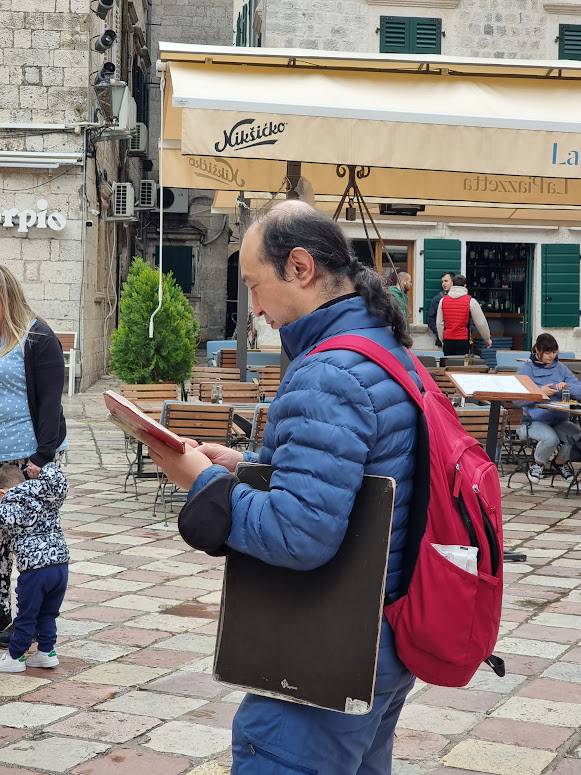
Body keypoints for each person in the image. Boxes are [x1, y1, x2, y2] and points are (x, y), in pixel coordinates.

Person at [145, 200, 419, 774]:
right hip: (381, 641)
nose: (254, 307)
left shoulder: (329, 372)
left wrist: (204, 482)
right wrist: (244, 465)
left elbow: (301, 532)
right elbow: (348, 480)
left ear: (299, 267)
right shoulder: (384, 350)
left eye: (253, 284)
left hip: (322, 652)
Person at [0, 265, 67, 644]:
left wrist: (41, 458)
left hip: (25, 460)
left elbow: (50, 402)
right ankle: (1, 616)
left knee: (28, 542)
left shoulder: (37, 336)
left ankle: (33, 620)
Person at [0, 462, 69, 672]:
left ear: (2, 492)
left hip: (35, 570)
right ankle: (46, 652)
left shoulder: (9, 505)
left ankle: (14, 656)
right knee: (48, 613)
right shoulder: (46, 495)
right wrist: (43, 469)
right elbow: (59, 480)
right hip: (60, 566)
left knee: (26, 615)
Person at [517, 333, 581, 485]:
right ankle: (537, 464)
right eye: (547, 352)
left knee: (577, 436)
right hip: (532, 422)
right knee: (551, 439)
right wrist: (540, 392)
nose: (552, 356)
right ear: (537, 350)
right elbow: (517, 399)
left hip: (559, 420)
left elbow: (579, 389)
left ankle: (559, 463)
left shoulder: (561, 368)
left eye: (554, 352)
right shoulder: (526, 369)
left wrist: (567, 387)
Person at [436, 274, 492, 356]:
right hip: (463, 340)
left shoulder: (443, 301)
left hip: (448, 339)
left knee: (448, 363)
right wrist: (487, 338)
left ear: (453, 284)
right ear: (465, 286)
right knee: (462, 363)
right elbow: (480, 323)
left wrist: (442, 339)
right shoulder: (471, 301)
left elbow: (439, 323)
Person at [428, 271, 454, 346]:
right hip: (443, 340)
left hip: (459, 339)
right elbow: (430, 319)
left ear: (453, 282)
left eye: (446, 281)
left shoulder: (462, 298)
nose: (443, 283)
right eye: (442, 281)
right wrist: (439, 332)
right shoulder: (437, 299)